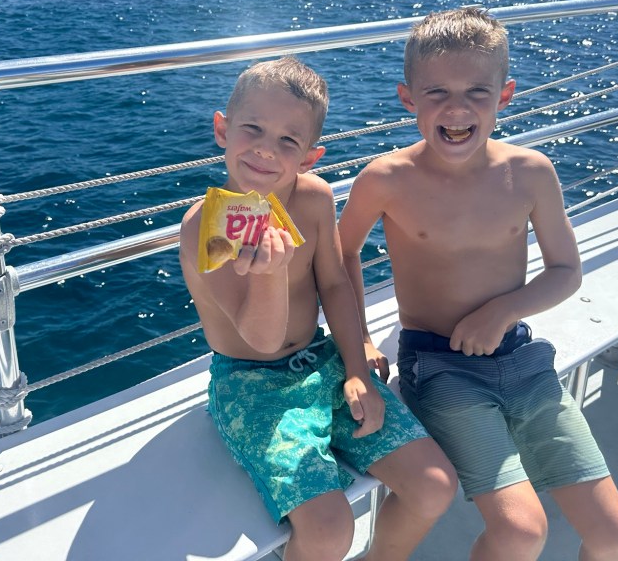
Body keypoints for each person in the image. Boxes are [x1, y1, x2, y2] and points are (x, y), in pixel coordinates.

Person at [338, 8, 618, 561]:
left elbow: (566, 271)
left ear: (505, 95)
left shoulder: (531, 172)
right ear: (408, 99)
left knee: (617, 538)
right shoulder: (385, 179)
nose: (457, 109)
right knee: (522, 531)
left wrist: (503, 311)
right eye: (437, 93)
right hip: (438, 366)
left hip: (522, 360)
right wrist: (360, 340)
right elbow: (342, 254)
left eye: (478, 92)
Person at [179, 57, 457, 561]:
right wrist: (269, 275)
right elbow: (261, 338)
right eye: (252, 128)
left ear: (310, 156)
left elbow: (334, 283)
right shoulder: (207, 226)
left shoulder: (314, 199)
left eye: (288, 140)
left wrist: (357, 370)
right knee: (329, 531)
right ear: (223, 129)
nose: (266, 149)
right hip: (250, 383)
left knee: (434, 485)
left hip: (322, 360)